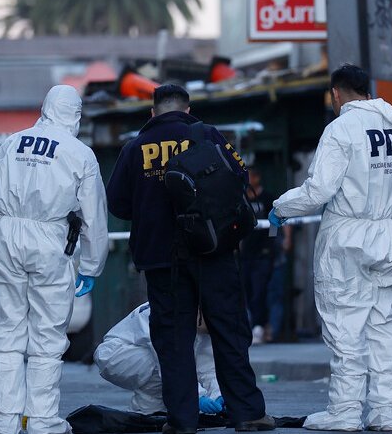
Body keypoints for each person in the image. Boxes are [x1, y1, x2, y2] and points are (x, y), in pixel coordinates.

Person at [105, 84, 274, 433]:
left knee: (173, 340)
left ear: (152, 113)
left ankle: (182, 421)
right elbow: (239, 178)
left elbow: (118, 204)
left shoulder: (135, 147)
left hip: (159, 257)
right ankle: (248, 413)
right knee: (229, 330)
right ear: (188, 109)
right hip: (213, 250)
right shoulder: (207, 135)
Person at [268, 64, 392, 432]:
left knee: (345, 325)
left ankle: (345, 411)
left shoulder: (341, 129)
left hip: (348, 237)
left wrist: (281, 208)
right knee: (383, 324)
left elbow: (319, 190)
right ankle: (386, 412)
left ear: (336, 94)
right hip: (388, 234)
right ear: (367, 91)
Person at [0, 85, 108, 434]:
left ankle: (4, 421)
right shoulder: (79, 153)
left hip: (6, 235)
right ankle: (40, 421)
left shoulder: (12, 142)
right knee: (47, 337)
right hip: (50, 240)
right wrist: (92, 265)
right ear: (75, 114)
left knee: (4, 335)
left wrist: (3, 228)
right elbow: (94, 216)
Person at [93, 303, 224, 416]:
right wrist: (197, 396)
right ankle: (144, 408)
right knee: (164, 363)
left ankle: (144, 413)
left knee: (155, 411)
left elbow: (207, 369)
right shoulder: (167, 314)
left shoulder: (201, 326)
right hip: (115, 354)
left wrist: (218, 395)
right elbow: (170, 361)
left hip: (140, 355)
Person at [240, 168, 277, 345]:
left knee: (259, 291)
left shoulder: (268, 198)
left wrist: (272, 242)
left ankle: (259, 327)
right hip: (246, 252)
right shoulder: (243, 198)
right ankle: (254, 325)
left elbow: (277, 220)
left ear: (257, 177)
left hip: (264, 253)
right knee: (247, 290)